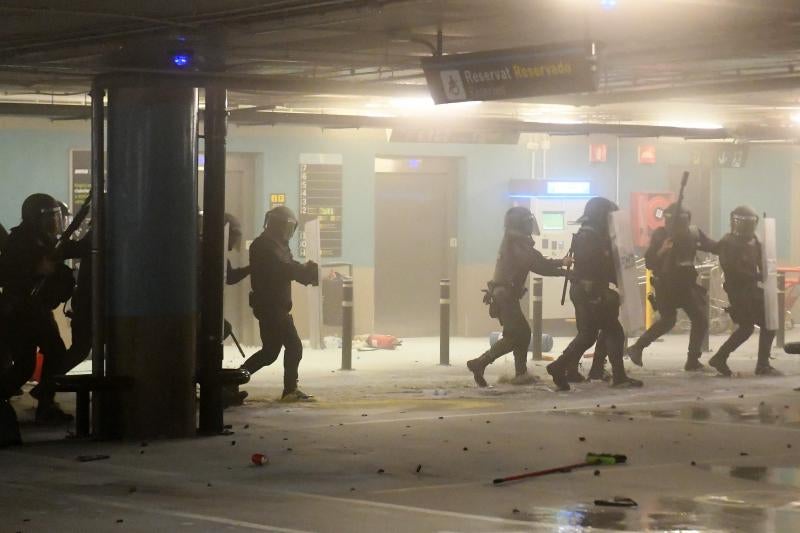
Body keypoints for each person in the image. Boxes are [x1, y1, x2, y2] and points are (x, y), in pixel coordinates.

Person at [466, 206, 570, 387]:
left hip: (505, 295)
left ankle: (520, 373)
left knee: (520, 333)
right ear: (521, 225)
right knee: (516, 335)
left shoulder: (515, 241)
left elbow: (538, 261)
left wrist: (561, 264)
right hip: (505, 296)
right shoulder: (516, 243)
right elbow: (539, 265)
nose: (530, 226)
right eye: (528, 223)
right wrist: (563, 268)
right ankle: (479, 363)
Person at [546, 197, 643, 391]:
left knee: (588, 335)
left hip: (584, 290)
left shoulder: (587, 234)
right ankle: (619, 377)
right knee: (614, 331)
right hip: (591, 291)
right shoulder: (592, 237)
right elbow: (597, 267)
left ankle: (559, 367)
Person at [0, 193, 78, 432]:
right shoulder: (20, 241)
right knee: (36, 359)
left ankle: (45, 401)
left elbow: (66, 254)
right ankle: (44, 402)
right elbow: (7, 272)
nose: (55, 223)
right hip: (20, 311)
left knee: (36, 360)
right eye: (50, 218)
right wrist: (37, 269)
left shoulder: (42, 241)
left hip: (33, 311)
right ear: (36, 219)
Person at [235, 206, 318, 402]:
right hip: (270, 306)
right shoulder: (263, 245)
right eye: (287, 227)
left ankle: (232, 381)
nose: (289, 232)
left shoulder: (279, 245)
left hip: (277, 306)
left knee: (270, 352)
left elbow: (289, 264)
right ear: (277, 225)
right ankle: (290, 389)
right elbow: (282, 268)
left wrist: (304, 269)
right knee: (294, 347)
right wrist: (303, 272)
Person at [626, 203, 717, 371]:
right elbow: (650, 262)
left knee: (699, 319)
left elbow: (712, 246)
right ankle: (637, 347)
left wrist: (730, 245)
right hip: (666, 286)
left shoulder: (693, 233)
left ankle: (692, 360)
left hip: (685, 284)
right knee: (669, 320)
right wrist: (663, 249)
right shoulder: (661, 235)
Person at [708, 206, 780, 377]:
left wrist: (766, 271)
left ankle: (723, 358)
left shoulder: (754, 240)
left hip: (752, 289)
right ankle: (760, 364)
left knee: (765, 324)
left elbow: (762, 259)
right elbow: (732, 268)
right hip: (739, 291)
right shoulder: (728, 242)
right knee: (751, 327)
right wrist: (756, 275)